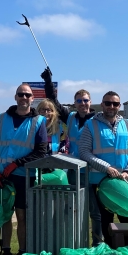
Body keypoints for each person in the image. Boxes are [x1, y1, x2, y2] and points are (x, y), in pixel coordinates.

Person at [0, 84, 48, 255]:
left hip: (24, 176)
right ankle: (5, 252)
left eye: (27, 95)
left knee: (22, 216)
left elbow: (41, 152)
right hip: (3, 177)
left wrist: (17, 163)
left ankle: (22, 253)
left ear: (32, 99)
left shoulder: (39, 121)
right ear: (15, 97)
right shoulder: (2, 118)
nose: (24, 97)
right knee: (5, 215)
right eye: (21, 94)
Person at [41, 67, 100, 240]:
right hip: (75, 171)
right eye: (79, 100)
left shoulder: (98, 120)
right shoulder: (71, 117)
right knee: (73, 208)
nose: (83, 103)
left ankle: (98, 243)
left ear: (90, 102)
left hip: (94, 170)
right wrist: (48, 81)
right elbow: (53, 101)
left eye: (86, 100)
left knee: (95, 211)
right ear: (75, 103)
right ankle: (75, 241)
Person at [78, 91, 128, 248]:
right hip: (100, 182)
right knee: (106, 221)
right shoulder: (90, 125)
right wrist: (106, 168)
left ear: (119, 106)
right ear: (102, 104)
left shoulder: (127, 124)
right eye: (107, 103)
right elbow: (84, 152)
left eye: (115, 104)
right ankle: (111, 254)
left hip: (123, 183)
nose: (111, 106)